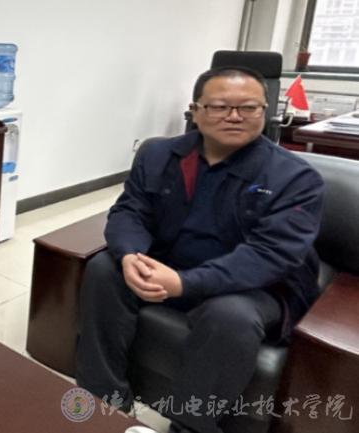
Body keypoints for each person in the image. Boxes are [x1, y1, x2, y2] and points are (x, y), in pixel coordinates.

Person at [75, 67, 324, 433]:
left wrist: (183, 283)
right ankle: (103, 399)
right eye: (220, 106)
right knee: (104, 267)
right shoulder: (159, 154)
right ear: (195, 110)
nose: (235, 116)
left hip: (256, 286)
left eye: (249, 107)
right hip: (173, 264)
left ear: (265, 111)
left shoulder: (295, 177)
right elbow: (130, 211)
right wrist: (131, 255)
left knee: (230, 315)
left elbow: (269, 255)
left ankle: (189, 427)